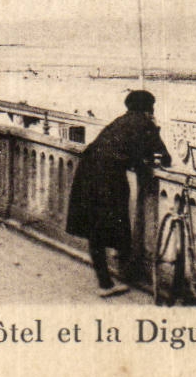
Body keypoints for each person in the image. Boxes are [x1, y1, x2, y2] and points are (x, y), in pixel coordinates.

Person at [65, 90, 172, 297]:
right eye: (152, 107)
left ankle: (107, 279)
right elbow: (164, 157)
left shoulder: (120, 121)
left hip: (87, 171)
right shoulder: (145, 124)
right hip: (108, 177)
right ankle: (109, 281)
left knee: (95, 228)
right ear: (149, 108)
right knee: (112, 223)